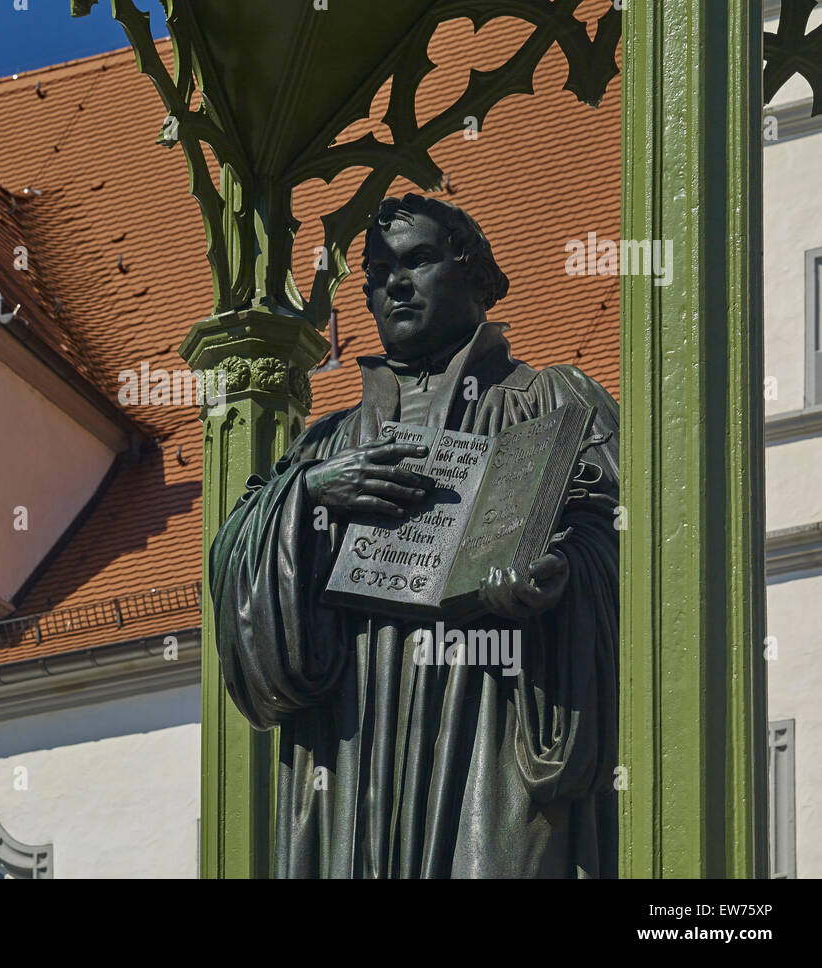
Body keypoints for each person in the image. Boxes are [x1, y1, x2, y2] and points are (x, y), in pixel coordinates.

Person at [208, 193, 620, 878]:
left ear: (474, 275)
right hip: (353, 732)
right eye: (377, 271)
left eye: (419, 260)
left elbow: (621, 544)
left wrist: (556, 575)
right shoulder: (328, 443)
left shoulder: (549, 400)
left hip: (490, 704)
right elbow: (232, 570)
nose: (394, 282)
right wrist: (307, 495)